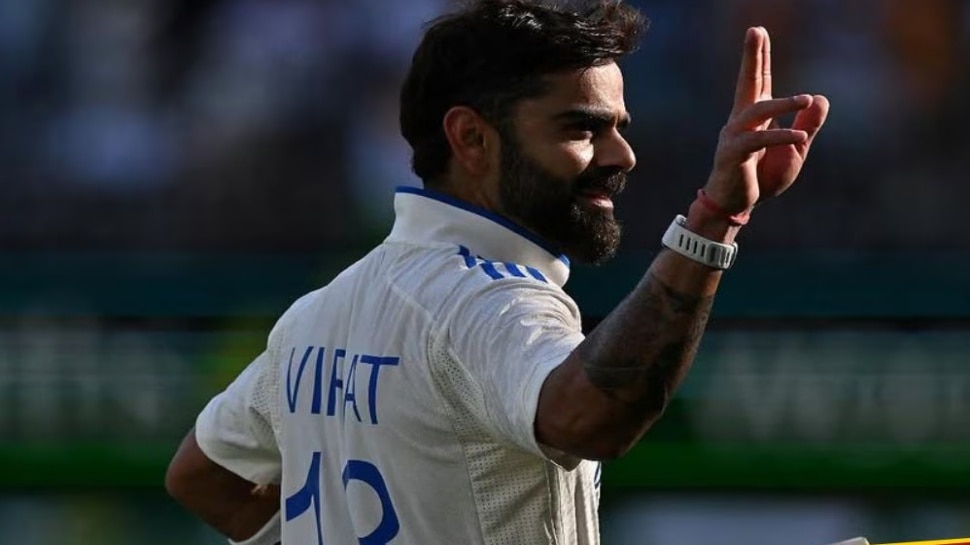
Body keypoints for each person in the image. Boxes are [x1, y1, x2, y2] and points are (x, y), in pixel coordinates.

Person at [164, 0, 830, 544]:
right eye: (582, 129)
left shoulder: (317, 314)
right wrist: (713, 221)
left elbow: (203, 476)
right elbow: (587, 416)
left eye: (619, 127)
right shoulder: (487, 299)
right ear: (472, 138)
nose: (622, 154)